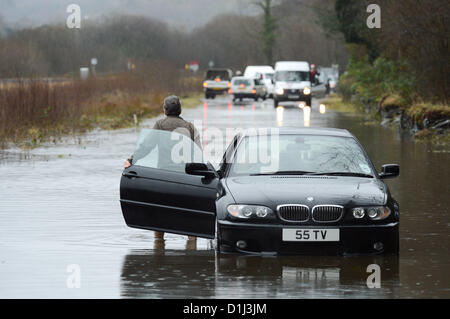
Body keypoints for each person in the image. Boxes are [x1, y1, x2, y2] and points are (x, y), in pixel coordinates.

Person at [124, 95, 201, 242]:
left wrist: (131, 160)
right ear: (180, 110)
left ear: (164, 111)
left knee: (159, 215)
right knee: (190, 219)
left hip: (163, 178)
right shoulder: (190, 127)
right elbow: (198, 153)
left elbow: (146, 146)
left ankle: (159, 246)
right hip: (186, 178)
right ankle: (192, 250)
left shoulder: (159, 125)